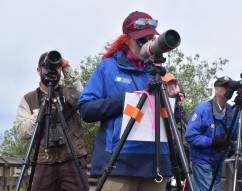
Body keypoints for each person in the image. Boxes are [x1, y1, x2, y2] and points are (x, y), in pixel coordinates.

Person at [78, 11, 176, 191]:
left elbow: (170, 120)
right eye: (142, 39)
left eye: (151, 38)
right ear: (128, 39)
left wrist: (174, 100)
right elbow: (86, 109)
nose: (148, 43)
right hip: (119, 161)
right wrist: (125, 101)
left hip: (156, 162)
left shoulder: (159, 72)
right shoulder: (108, 67)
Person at [15, 51, 88, 191]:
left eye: (55, 67)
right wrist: (41, 111)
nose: (51, 70)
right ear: (38, 71)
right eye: (46, 66)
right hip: (43, 162)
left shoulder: (68, 92)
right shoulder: (28, 99)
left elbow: (82, 98)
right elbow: (23, 131)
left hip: (72, 159)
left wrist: (66, 68)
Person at [185, 76, 239, 191]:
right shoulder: (202, 109)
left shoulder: (232, 111)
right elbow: (190, 136)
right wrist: (212, 141)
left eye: (230, 87)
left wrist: (230, 146)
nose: (228, 90)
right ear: (216, 89)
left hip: (218, 160)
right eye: (225, 87)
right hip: (202, 160)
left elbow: (234, 136)